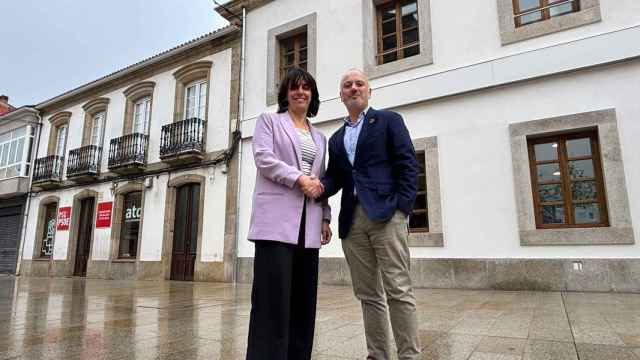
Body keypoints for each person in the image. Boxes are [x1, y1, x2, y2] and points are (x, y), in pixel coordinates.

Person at [320, 69, 420, 360]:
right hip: (352, 223)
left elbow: (408, 165)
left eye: (359, 84)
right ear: (340, 95)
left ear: (368, 91)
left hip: (387, 215)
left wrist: (402, 209)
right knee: (368, 295)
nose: (353, 88)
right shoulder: (336, 139)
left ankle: (409, 356)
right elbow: (334, 179)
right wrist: (313, 186)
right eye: (347, 85)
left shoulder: (389, 121)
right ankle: (377, 354)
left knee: (398, 289)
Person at [245, 67, 331, 360]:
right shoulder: (269, 121)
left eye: (306, 88)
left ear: (313, 95)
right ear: (285, 93)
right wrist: (298, 178)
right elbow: (264, 159)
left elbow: (320, 178)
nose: (300, 92)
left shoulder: (321, 138)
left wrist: (326, 217)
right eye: (294, 87)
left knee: (303, 301)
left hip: (309, 226)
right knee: (272, 301)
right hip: (275, 224)